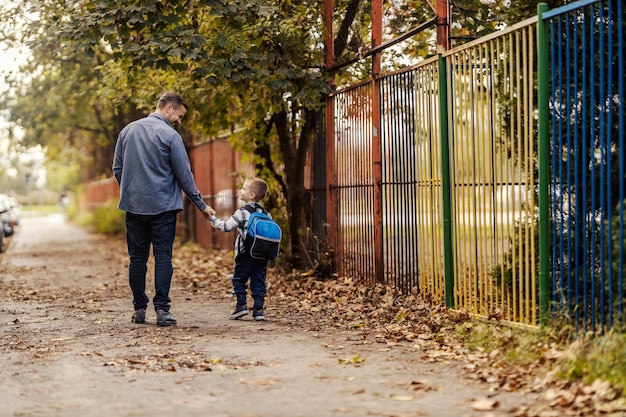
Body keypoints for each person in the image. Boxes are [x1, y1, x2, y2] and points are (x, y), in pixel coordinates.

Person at [113, 91, 215, 327]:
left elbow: (117, 168)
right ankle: (162, 311)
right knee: (163, 257)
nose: (179, 121)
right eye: (179, 115)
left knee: (137, 260)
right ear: (169, 107)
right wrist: (201, 205)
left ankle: (139, 310)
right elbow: (184, 176)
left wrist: (131, 190)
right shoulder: (170, 136)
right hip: (163, 209)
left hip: (134, 208)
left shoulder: (127, 131)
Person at [209, 177, 271, 321]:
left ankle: (241, 306)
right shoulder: (266, 214)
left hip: (245, 254)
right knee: (259, 281)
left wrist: (213, 219)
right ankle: (259, 310)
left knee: (239, 280)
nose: (240, 190)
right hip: (262, 255)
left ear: (251, 195)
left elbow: (226, 227)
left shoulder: (242, 212)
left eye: (243, 188)